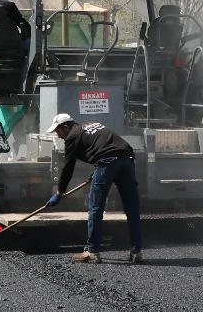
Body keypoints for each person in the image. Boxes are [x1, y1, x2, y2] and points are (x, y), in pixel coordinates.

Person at [44, 113, 142, 264]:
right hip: (127, 160)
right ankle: (137, 251)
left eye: (58, 131)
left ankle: (92, 251)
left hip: (108, 161)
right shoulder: (91, 126)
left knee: (95, 207)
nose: (58, 135)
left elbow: (68, 168)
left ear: (66, 126)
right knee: (132, 208)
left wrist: (60, 192)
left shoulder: (72, 136)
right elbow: (108, 146)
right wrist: (99, 171)